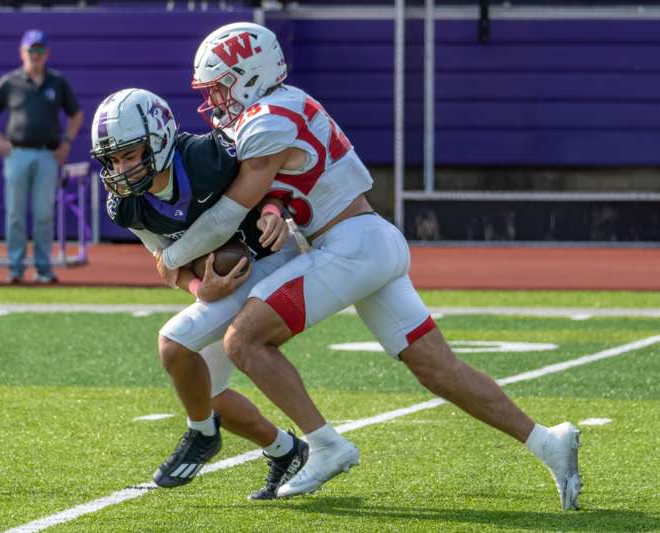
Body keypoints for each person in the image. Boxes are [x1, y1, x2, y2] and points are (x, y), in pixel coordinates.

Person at [156, 22, 582, 509]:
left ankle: (325, 445)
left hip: (350, 245)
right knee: (437, 369)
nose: (215, 98)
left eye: (222, 84)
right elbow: (302, 179)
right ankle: (549, 442)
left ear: (250, 74)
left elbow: (233, 209)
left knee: (245, 339)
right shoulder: (283, 104)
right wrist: (279, 207)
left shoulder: (268, 118)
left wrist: (170, 256)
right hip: (367, 239)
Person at [91, 88, 307, 498]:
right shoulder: (125, 205)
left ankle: (201, 435)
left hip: (271, 259)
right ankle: (287, 450)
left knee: (174, 345)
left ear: (158, 138)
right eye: (113, 159)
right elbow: (165, 261)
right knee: (209, 394)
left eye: (130, 154)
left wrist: (276, 208)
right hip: (221, 283)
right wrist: (199, 287)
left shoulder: (209, 156)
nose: (121, 168)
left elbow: (273, 175)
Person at [0, 29, 84, 284]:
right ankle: (15, 268)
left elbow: (76, 114)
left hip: (47, 154)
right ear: (22, 53)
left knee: (43, 214)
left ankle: (43, 269)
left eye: (39, 50)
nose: (34, 55)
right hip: (17, 154)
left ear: (46, 54)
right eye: (30, 50)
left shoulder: (57, 82)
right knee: (15, 214)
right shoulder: (11, 81)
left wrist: (67, 141)